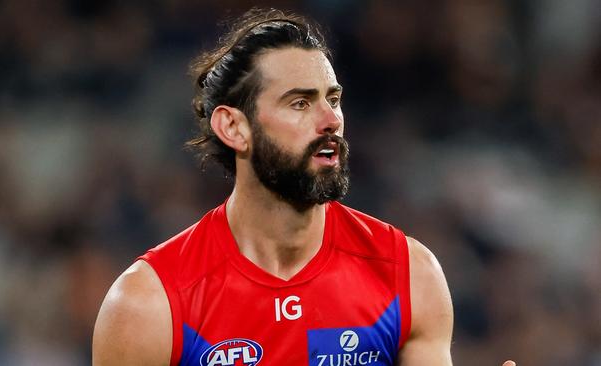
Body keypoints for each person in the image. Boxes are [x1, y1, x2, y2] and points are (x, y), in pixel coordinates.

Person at [93, 8, 517, 366]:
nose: (330, 120)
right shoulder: (148, 303)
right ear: (233, 127)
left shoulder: (409, 275)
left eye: (332, 99)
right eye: (300, 103)